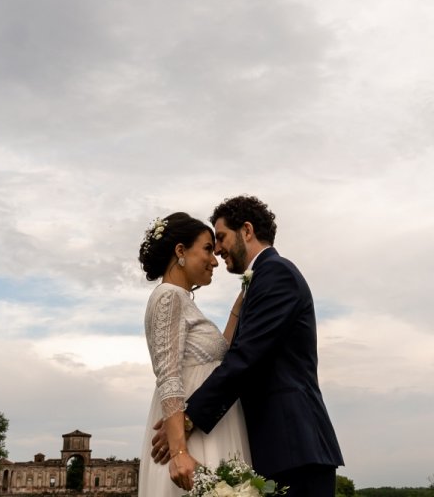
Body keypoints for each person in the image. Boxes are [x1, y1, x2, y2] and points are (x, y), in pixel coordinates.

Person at [153, 196, 344, 497]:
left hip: (293, 446)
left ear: (247, 230)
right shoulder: (262, 280)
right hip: (277, 447)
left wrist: (187, 419)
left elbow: (245, 360)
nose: (217, 249)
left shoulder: (277, 274)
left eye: (221, 237)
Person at [137, 212, 252, 495]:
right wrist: (179, 453)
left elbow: (217, 358)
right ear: (180, 251)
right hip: (190, 442)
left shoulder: (181, 300)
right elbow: (169, 376)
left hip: (208, 428)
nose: (214, 260)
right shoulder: (169, 297)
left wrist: (241, 301)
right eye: (207, 250)